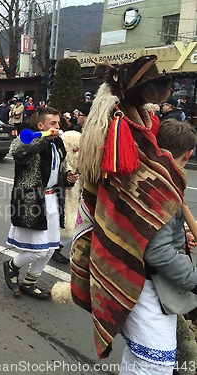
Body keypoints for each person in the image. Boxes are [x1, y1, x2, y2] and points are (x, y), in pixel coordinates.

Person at [120, 118, 197, 374]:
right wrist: (194, 279)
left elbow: (153, 230)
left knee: (137, 356)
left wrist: (179, 235)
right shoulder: (162, 183)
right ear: (189, 153)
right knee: (156, 365)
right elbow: (157, 250)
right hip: (147, 286)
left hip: (134, 278)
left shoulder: (148, 172)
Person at [3, 106, 78, 299]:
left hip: (54, 200)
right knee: (38, 251)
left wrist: (67, 176)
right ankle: (12, 265)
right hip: (33, 201)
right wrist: (44, 137)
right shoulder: (32, 139)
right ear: (41, 125)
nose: (58, 126)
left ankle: (30, 282)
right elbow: (16, 150)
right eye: (53, 123)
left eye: (58, 122)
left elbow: (61, 166)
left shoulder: (58, 143)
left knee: (51, 248)